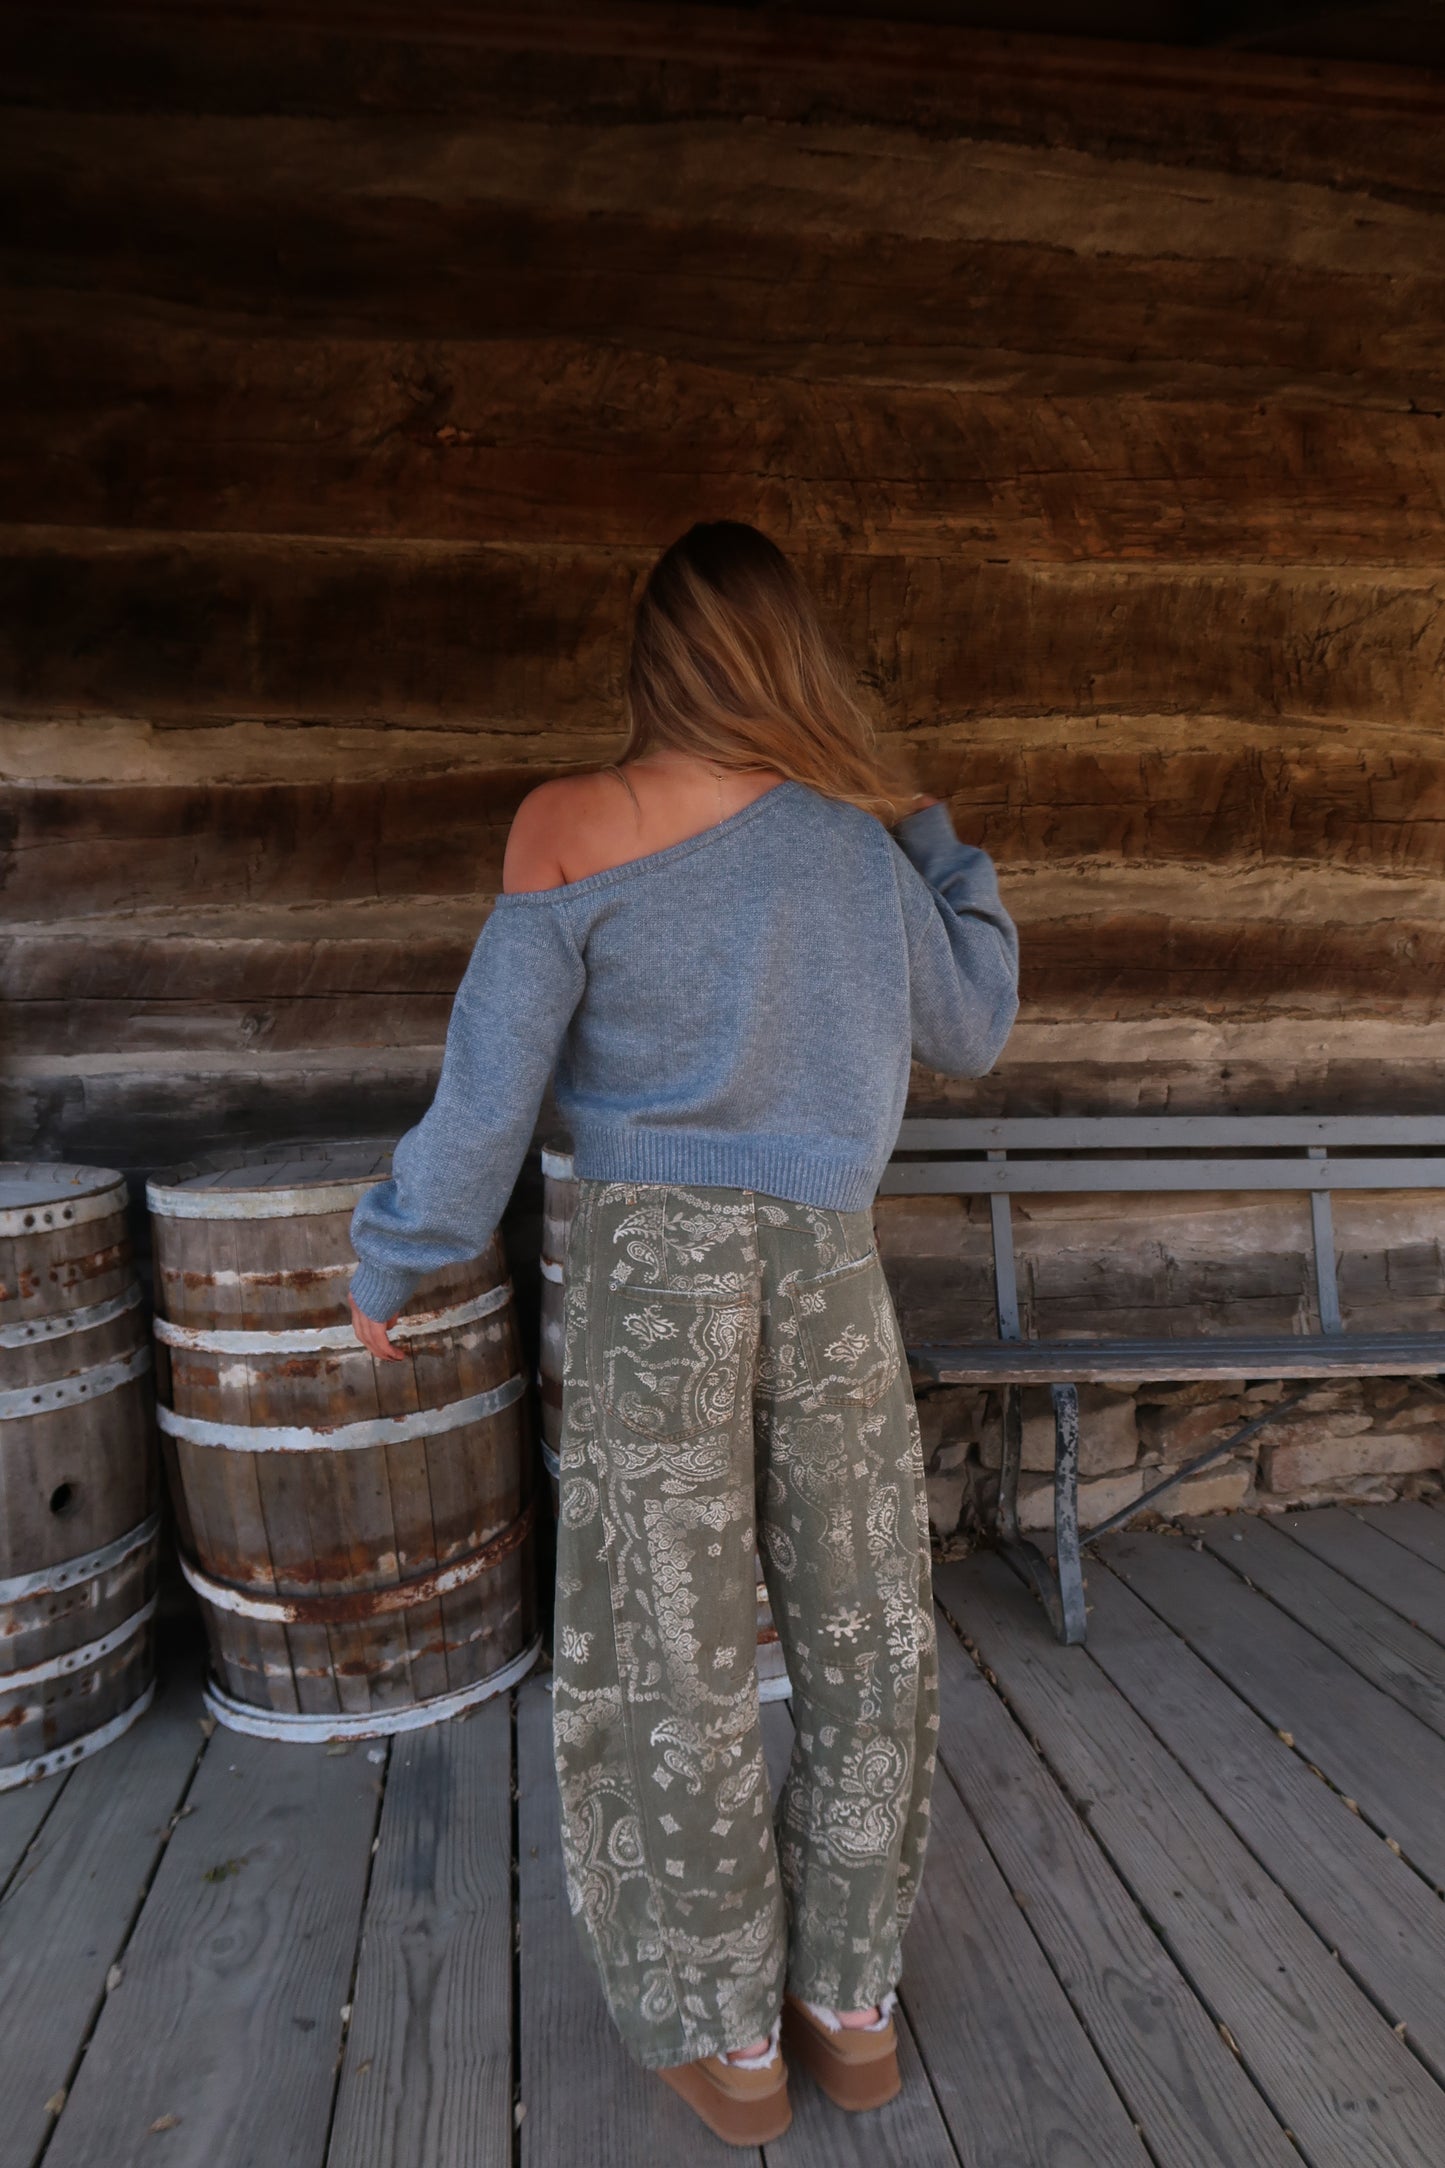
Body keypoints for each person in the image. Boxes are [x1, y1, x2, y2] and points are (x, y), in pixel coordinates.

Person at [347, 520, 1019, 2145]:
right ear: (794, 662)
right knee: (861, 1631)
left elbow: (488, 1092)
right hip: (829, 1270)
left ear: (648, 660)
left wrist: (398, 1256)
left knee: (671, 1657)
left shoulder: (570, 828)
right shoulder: (860, 851)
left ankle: (730, 2045)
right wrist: (926, 826)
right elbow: (976, 1023)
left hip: (656, 1277)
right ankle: (848, 2008)